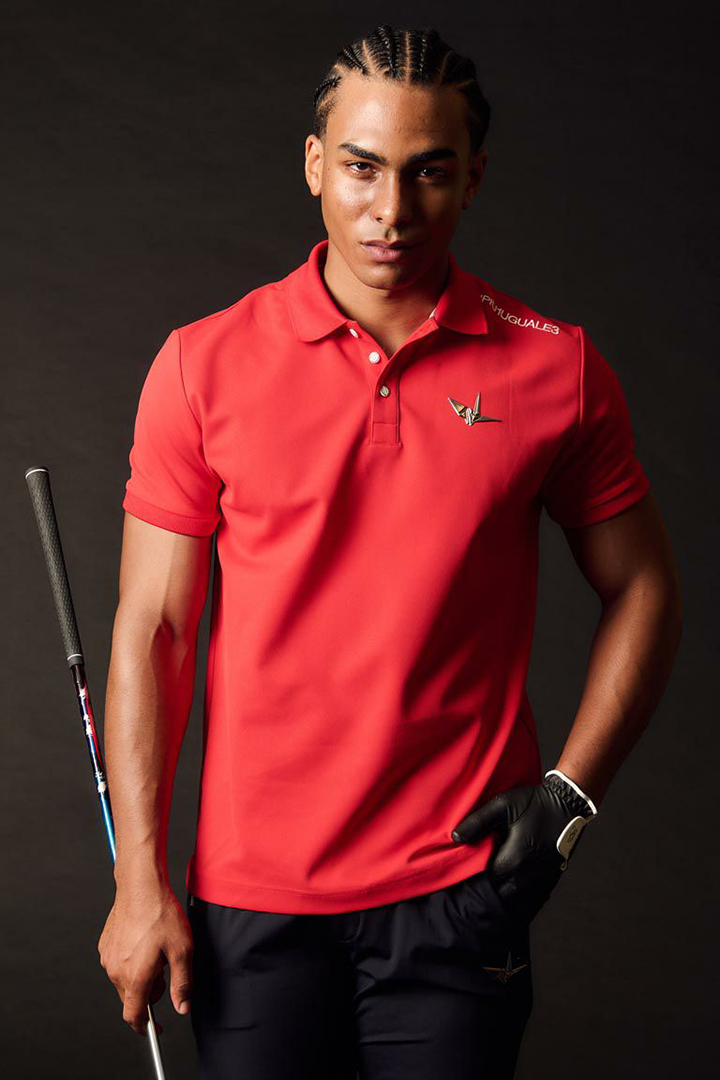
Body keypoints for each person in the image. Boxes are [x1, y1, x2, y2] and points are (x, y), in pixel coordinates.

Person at [97, 23, 682, 1080]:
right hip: (256, 901)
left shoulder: (556, 369)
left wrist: (570, 796)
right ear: (315, 164)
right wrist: (140, 879)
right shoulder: (200, 365)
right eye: (362, 168)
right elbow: (158, 629)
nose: (392, 210)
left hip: (459, 893)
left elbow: (644, 587)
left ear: (474, 178)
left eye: (429, 173)